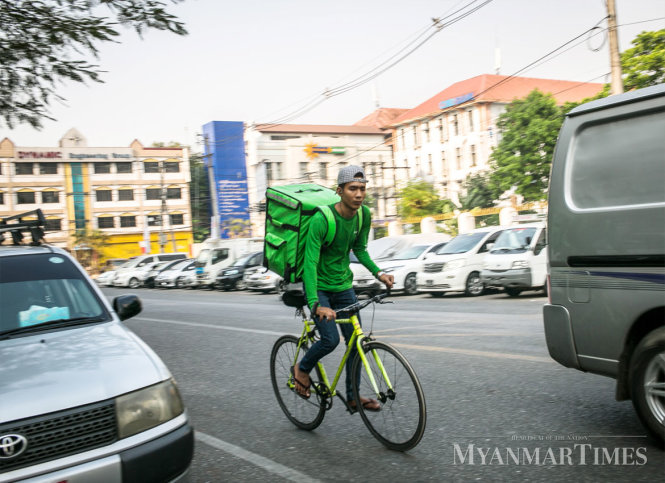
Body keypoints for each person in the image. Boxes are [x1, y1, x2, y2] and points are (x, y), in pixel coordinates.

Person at [292, 165, 394, 410]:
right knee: (329, 340)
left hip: (343, 286)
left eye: (362, 189)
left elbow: (359, 250)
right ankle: (302, 369)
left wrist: (379, 273)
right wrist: (316, 304)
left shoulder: (363, 215)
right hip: (319, 288)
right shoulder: (322, 219)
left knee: (356, 343)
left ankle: (352, 396)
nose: (359, 194)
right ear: (340, 191)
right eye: (353, 189)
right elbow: (310, 262)